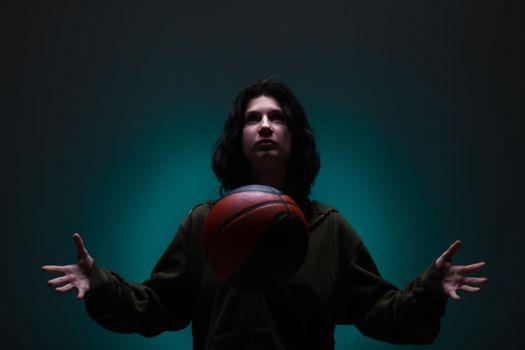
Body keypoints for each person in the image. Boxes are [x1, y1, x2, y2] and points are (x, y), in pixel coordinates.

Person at [42, 79, 487, 349]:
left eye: (277, 117)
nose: (266, 126)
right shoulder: (204, 224)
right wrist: (97, 283)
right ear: (239, 137)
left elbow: (381, 312)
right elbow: (157, 308)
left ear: (295, 137)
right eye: (253, 119)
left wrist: (429, 288)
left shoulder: (328, 229)